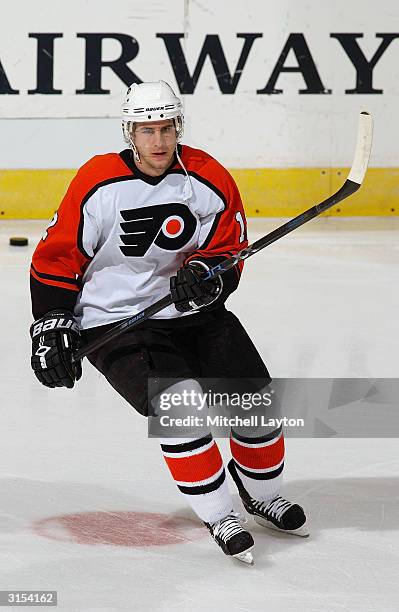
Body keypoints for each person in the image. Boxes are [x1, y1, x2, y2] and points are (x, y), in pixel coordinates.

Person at [29, 80, 307, 564]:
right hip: (114, 319)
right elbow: (56, 259)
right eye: (146, 130)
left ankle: (262, 494)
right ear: (129, 132)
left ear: (178, 126)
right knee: (181, 411)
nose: (158, 141)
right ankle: (220, 514)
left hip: (194, 314)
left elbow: (228, 249)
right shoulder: (98, 182)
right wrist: (52, 323)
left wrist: (206, 275)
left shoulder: (207, 175)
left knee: (255, 405)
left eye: (166, 128)